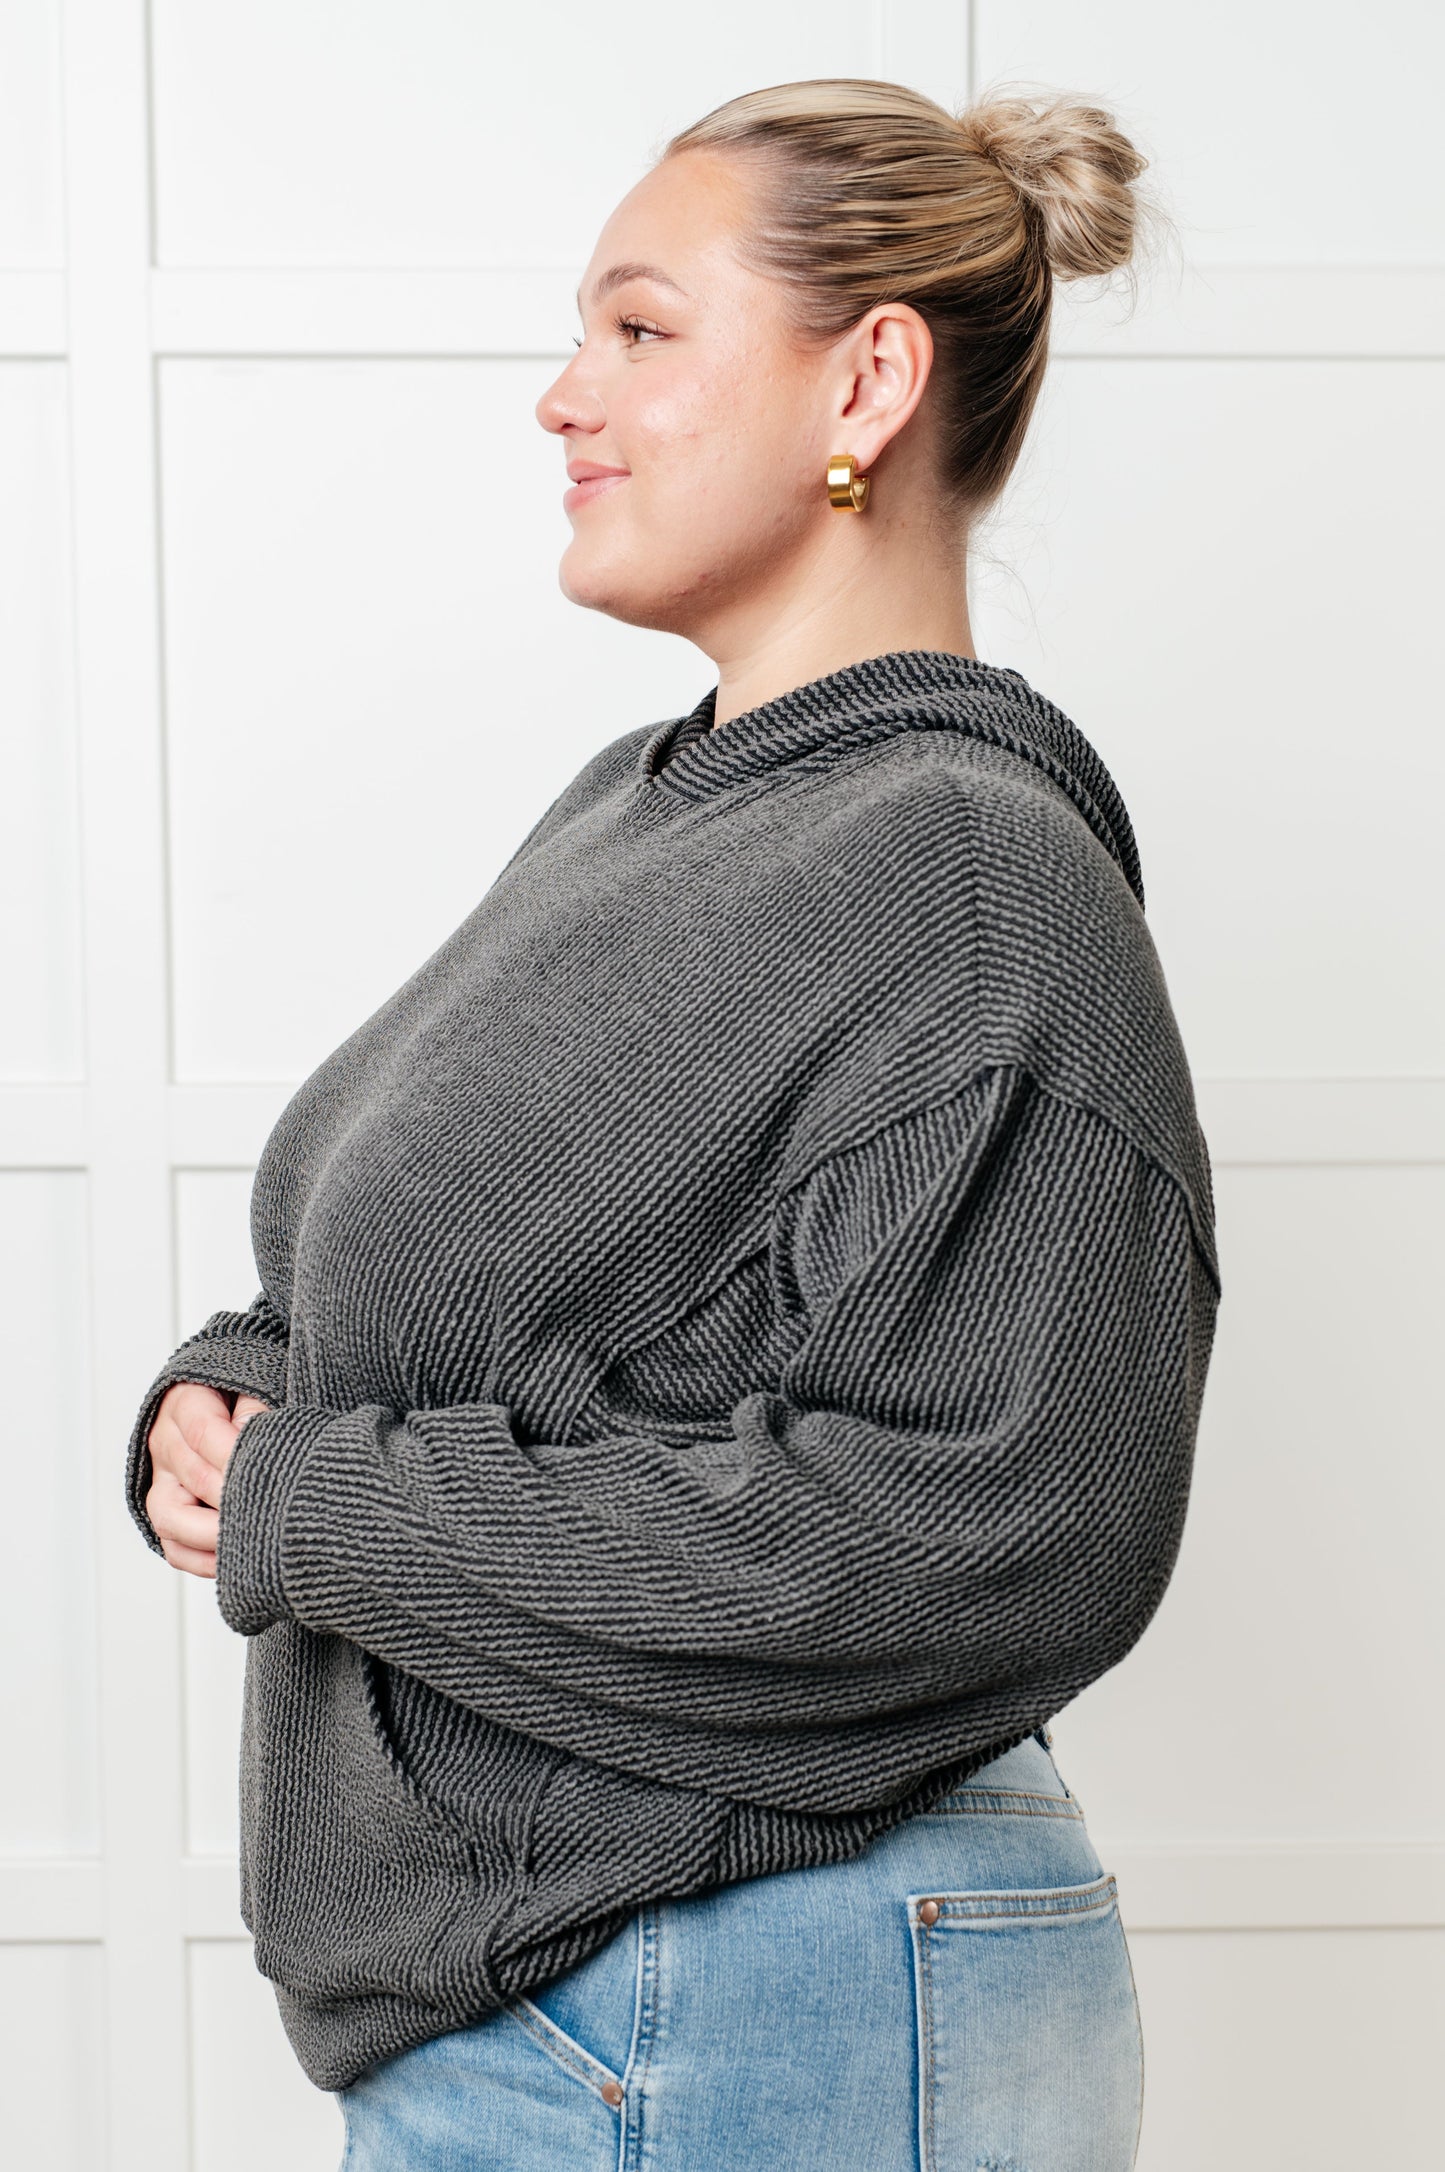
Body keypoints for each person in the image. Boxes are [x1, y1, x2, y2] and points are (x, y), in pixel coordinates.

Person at [126, 76, 1220, 2172]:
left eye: (639, 329)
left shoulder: (969, 875)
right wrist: (238, 1392)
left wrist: (310, 1503)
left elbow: (973, 1534)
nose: (564, 396)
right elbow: (488, 1297)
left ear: (870, 375)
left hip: (738, 1993)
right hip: (594, 2010)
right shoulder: (653, 807)